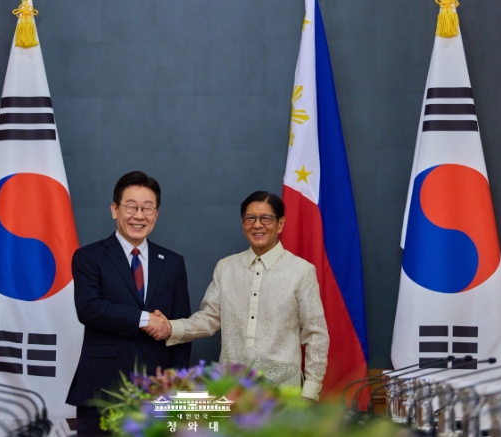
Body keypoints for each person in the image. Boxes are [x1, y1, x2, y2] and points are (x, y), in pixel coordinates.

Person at [145, 191, 329, 400]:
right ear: (243, 224)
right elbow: (209, 319)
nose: (257, 225)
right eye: (250, 218)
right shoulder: (226, 268)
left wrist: (311, 390)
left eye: (266, 218)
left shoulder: (301, 271)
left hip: (283, 392)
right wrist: (170, 327)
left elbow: (316, 334)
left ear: (280, 224)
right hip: (232, 391)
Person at [66, 171, 191, 436]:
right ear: (115, 209)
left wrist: (177, 386)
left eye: (147, 208)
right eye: (131, 207)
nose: (139, 215)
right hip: (102, 389)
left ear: (156, 214)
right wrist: (146, 319)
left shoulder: (172, 262)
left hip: (158, 391)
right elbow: (89, 308)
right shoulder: (89, 257)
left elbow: (180, 328)